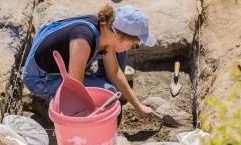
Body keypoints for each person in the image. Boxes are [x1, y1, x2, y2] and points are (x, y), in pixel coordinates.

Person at [22, 5, 157, 117]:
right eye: (134, 45)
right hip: (41, 79)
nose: (133, 48)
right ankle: (48, 105)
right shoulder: (83, 40)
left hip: (58, 66)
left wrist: (138, 106)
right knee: (108, 94)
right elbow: (75, 88)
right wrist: (93, 115)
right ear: (122, 38)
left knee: (115, 73)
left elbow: (114, 72)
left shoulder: (107, 31)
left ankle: (79, 92)